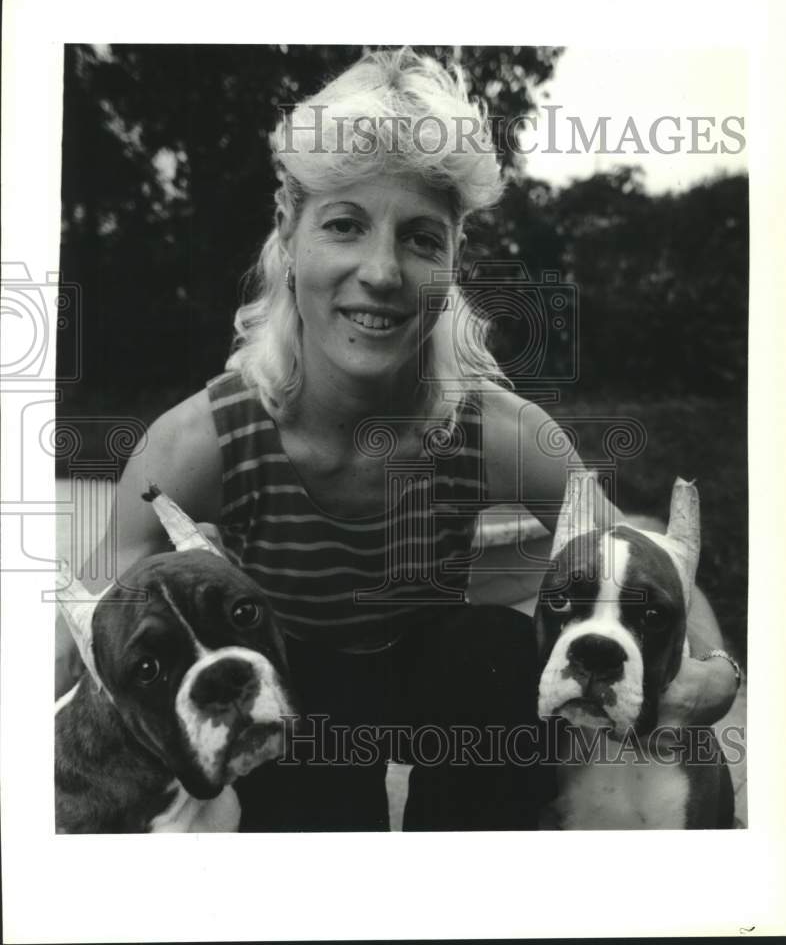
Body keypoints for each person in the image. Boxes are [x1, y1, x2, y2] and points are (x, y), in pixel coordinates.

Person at [55, 47, 739, 830]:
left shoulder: (495, 432)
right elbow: (88, 630)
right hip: (297, 701)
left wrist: (711, 675)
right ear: (289, 229)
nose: (381, 272)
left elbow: (646, 554)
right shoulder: (202, 442)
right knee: (300, 743)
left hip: (437, 682)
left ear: (453, 260)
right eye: (345, 225)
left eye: (420, 238)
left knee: (488, 654)